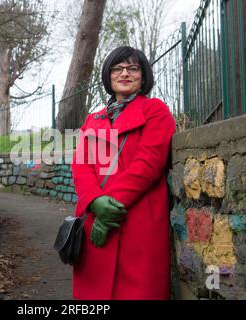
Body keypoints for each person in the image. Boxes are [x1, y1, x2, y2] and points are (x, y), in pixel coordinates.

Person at [71, 46, 176, 300]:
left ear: (143, 76)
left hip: (137, 220)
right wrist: (95, 202)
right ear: (108, 76)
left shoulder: (155, 110)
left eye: (133, 68)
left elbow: (148, 164)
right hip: (93, 218)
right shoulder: (94, 119)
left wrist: (111, 209)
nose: (125, 73)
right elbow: (81, 165)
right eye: (117, 68)